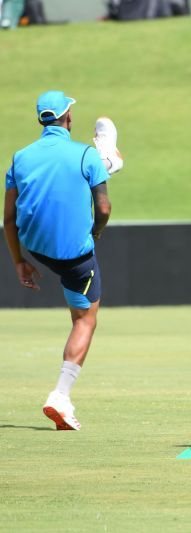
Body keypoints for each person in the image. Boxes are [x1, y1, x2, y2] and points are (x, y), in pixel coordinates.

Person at [3, 91, 120, 430]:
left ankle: (109, 161)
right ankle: (60, 396)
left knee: (77, 300)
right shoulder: (84, 154)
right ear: (68, 116)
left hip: (36, 249)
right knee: (85, 319)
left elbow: (8, 218)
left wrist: (19, 262)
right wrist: (96, 235)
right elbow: (104, 208)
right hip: (74, 256)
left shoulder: (20, 157)